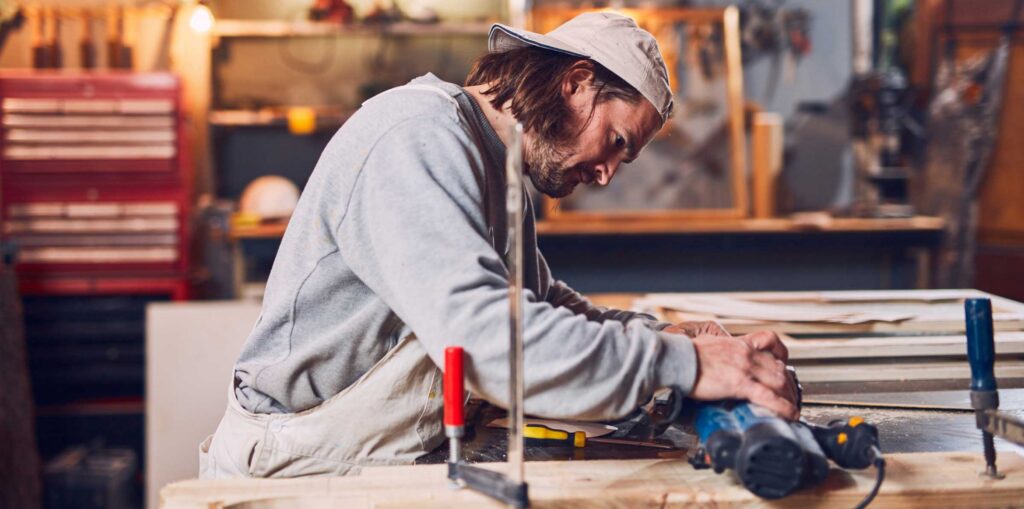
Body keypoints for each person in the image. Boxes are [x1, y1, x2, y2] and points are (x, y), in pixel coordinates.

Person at [199, 12, 797, 479]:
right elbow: (492, 339)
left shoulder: (496, 166)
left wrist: (663, 337)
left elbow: (540, 303)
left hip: (377, 452)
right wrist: (688, 366)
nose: (608, 173)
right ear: (577, 83)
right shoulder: (417, 138)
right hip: (297, 467)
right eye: (615, 141)